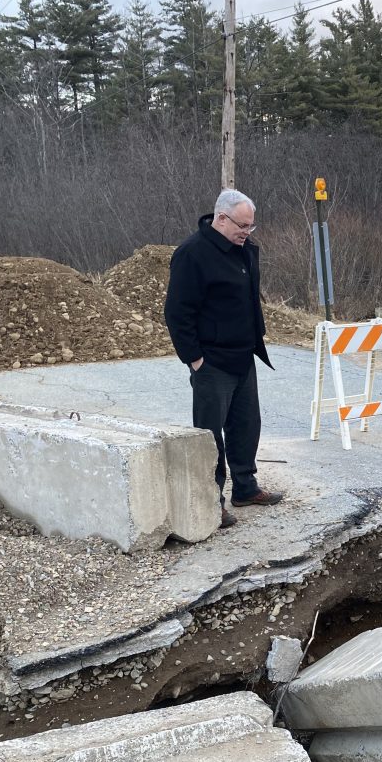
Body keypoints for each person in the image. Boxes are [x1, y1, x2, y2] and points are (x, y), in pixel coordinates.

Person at [165, 188, 284, 529]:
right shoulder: (193, 254)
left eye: (251, 226)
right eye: (242, 225)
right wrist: (195, 359)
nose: (247, 232)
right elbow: (177, 312)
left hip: (243, 355)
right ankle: (210, 502)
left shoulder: (244, 250)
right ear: (220, 218)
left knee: (246, 425)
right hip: (212, 362)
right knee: (209, 436)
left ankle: (245, 488)